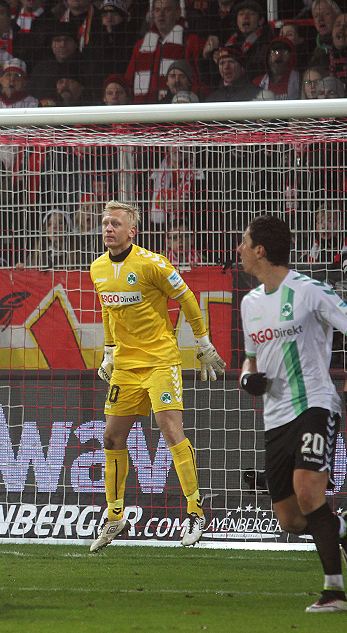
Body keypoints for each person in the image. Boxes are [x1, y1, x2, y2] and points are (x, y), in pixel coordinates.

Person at [88, 201, 226, 552]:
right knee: (111, 439)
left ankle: (195, 512)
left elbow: (187, 297)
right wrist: (109, 351)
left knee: (170, 429)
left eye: (115, 223)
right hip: (126, 366)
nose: (108, 228)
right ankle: (115, 516)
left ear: (132, 231)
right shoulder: (97, 268)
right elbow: (107, 310)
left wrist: (203, 342)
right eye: (105, 223)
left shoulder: (153, 264)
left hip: (161, 361)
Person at [237, 215, 347, 613]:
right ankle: (341, 527)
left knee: (308, 492)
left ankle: (334, 592)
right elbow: (250, 361)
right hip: (275, 417)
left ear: (260, 250)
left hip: (314, 404)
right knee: (291, 519)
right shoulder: (250, 304)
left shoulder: (310, 291)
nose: (239, 249)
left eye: (244, 242)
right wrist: (247, 379)